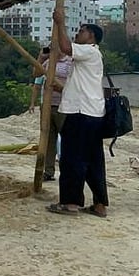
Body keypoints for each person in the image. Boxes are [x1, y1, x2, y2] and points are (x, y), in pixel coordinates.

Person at [46, 12, 108, 218]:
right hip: (92, 113)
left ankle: (71, 202)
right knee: (93, 160)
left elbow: (65, 47)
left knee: (72, 159)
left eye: (81, 31)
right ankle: (100, 204)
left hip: (80, 113)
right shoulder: (91, 56)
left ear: (91, 37)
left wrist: (60, 22)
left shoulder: (88, 51)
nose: (77, 34)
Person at [32, 45, 72, 181]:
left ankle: (67, 171)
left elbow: (74, 83)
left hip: (64, 105)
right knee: (48, 139)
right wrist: (41, 58)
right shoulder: (48, 62)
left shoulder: (69, 61)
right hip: (47, 105)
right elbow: (36, 74)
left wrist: (61, 88)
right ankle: (48, 171)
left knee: (67, 139)